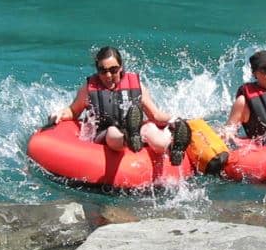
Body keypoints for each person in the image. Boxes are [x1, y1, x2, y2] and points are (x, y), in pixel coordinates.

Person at [49, 46, 191, 165]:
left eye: (113, 70)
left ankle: (173, 144)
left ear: (121, 67)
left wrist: (173, 119)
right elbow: (74, 111)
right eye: (103, 71)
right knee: (112, 131)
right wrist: (60, 113)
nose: (108, 75)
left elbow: (155, 115)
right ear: (97, 70)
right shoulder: (89, 88)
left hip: (136, 130)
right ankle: (128, 137)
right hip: (105, 133)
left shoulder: (136, 85)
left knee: (151, 130)